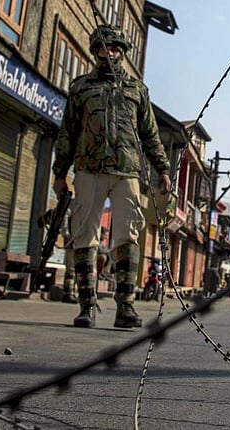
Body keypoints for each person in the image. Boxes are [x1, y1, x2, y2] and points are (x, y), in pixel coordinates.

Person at [52, 24, 171, 329]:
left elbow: (150, 134)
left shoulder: (136, 90)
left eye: (116, 48)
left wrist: (163, 169)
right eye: (104, 49)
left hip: (127, 171)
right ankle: (86, 306)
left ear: (123, 52)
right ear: (95, 52)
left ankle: (125, 307)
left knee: (127, 235)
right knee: (84, 235)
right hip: (89, 170)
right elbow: (68, 132)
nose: (110, 54)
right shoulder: (81, 88)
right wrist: (59, 173)